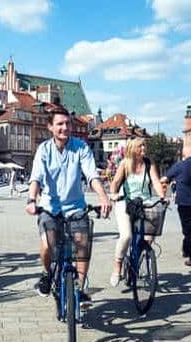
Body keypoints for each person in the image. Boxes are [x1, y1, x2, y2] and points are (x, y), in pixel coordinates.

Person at [26, 108, 111, 303]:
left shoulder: (81, 147)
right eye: (60, 124)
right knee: (47, 246)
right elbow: (36, 178)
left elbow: (91, 175)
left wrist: (103, 197)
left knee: (82, 247)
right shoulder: (44, 149)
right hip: (49, 208)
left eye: (67, 123)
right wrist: (31, 200)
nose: (65, 127)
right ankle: (47, 274)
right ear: (50, 127)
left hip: (76, 208)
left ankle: (80, 288)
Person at [108, 137, 165, 287]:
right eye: (140, 147)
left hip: (144, 202)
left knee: (149, 237)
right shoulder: (125, 164)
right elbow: (115, 183)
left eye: (145, 146)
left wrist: (162, 196)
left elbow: (156, 181)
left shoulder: (148, 163)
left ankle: (138, 261)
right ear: (133, 149)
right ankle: (118, 265)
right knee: (126, 236)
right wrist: (113, 194)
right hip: (125, 202)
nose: (144, 149)